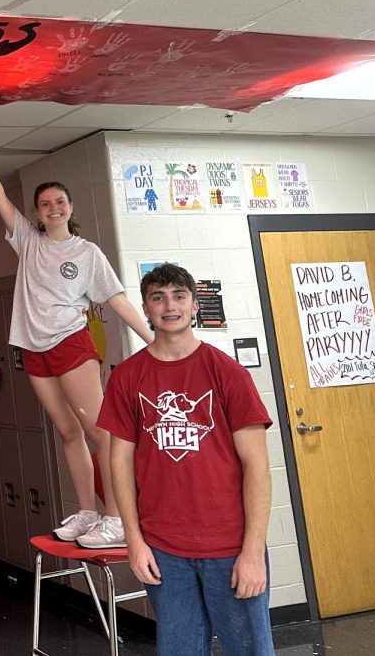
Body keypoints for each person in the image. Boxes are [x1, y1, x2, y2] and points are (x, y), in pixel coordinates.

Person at [0, 139, 153, 549]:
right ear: (37, 214)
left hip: (71, 344)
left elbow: (115, 299)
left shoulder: (87, 253)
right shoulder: (28, 241)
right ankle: (88, 512)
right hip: (33, 348)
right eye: (45, 204)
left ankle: (117, 517)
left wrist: (152, 339)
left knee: (99, 432)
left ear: (70, 207)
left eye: (59, 201)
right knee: (67, 432)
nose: (53, 207)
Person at [99, 264, 274, 656]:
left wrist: (252, 552)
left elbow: (258, 468)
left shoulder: (227, 373)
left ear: (195, 305)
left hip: (230, 546)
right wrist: (134, 541)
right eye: (158, 297)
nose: (169, 305)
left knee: (250, 651)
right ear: (146, 308)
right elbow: (119, 464)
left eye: (179, 296)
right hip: (164, 549)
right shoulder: (127, 378)